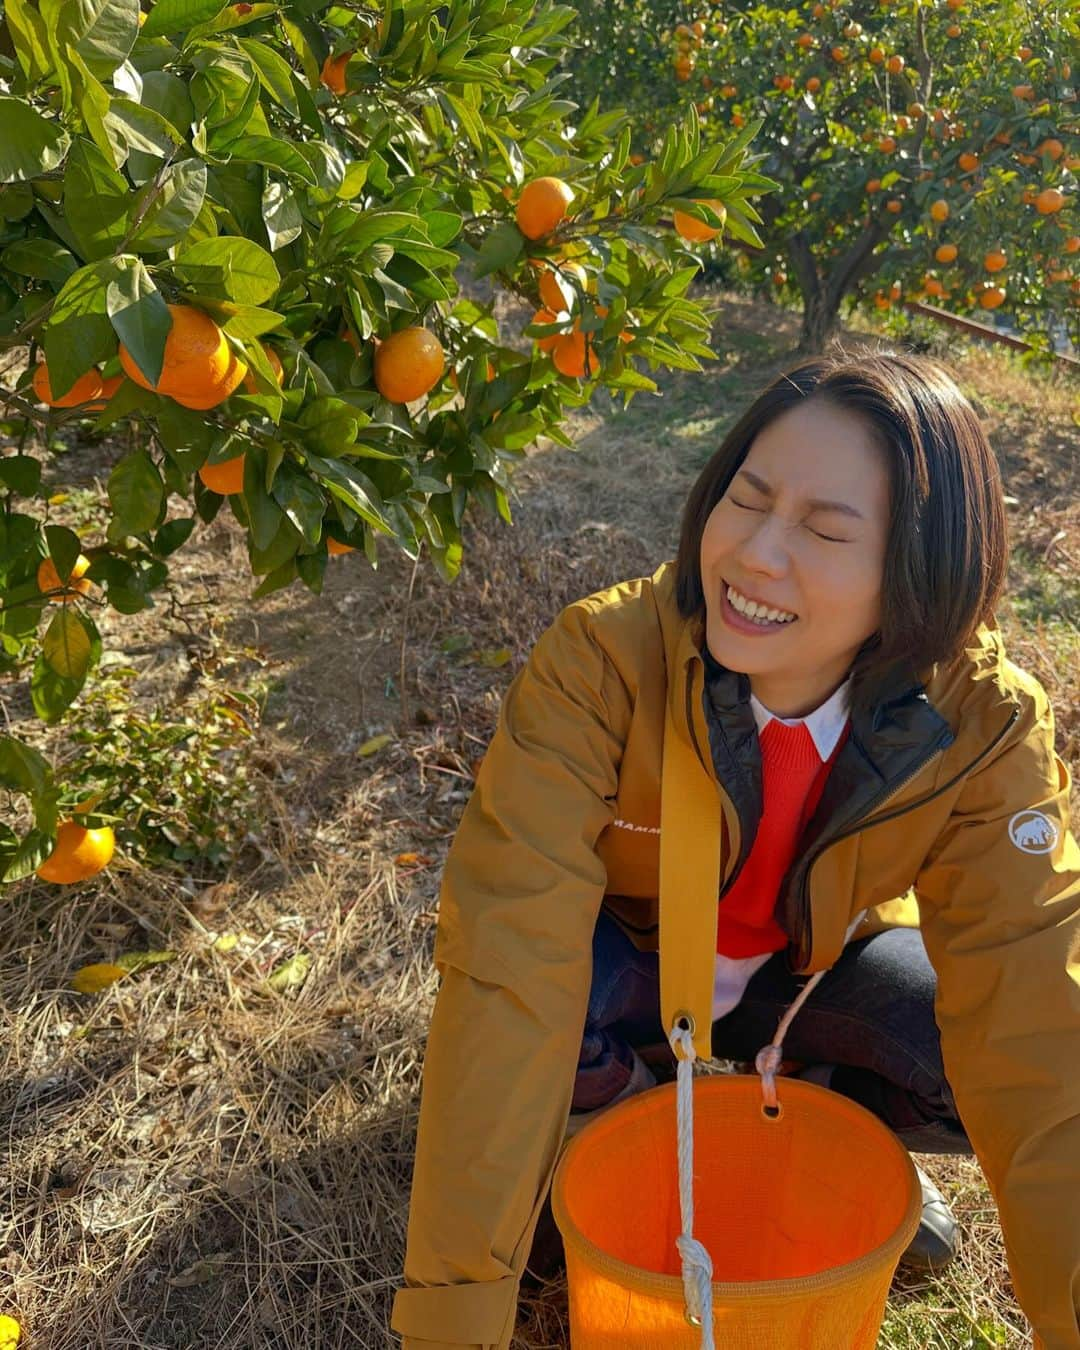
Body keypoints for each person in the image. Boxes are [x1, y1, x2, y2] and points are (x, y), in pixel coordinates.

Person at [390, 348, 1080, 1350]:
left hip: (799, 975)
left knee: (962, 1049)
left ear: (917, 572)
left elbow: (1038, 1021)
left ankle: (814, 1122)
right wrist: (453, 1318)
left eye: (824, 529)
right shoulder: (604, 662)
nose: (756, 554)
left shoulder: (980, 723)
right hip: (630, 976)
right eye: (745, 500)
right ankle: (618, 1121)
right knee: (555, 987)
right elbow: (509, 962)